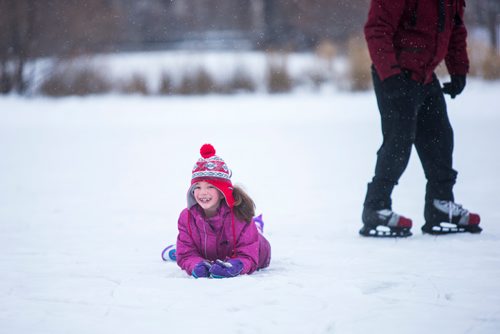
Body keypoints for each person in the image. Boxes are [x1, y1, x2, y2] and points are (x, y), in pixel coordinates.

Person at [360, 0, 482, 237]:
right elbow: (377, 28)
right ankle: (376, 207)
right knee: (399, 141)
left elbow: (455, 28)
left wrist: (458, 69)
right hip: (395, 73)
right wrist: (390, 75)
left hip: (424, 74)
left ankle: (440, 202)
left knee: (441, 137)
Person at [167, 143, 271, 278]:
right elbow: (187, 253)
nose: (202, 192)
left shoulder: (239, 216)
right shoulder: (186, 217)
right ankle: (175, 249)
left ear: (222, 192)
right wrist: (196, 265)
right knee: (184, 250)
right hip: (210, 254)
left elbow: (248, 254)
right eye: (197, 187)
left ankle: (256, 225)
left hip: (256, 249)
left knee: (254, 232)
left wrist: (236, 265)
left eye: (210, 187)